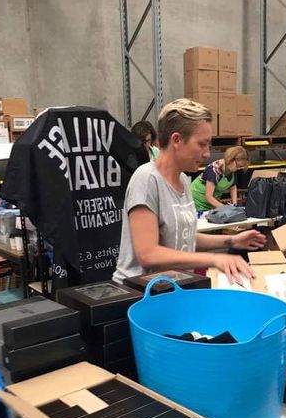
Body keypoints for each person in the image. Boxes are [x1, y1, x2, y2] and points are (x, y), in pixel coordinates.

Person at [113, 98, 266, 286]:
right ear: (177, 140)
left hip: (172, 290)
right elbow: (148, 254)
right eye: (202, 144)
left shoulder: (184, 181)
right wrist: (213, 259)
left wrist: (231, 241)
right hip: (140, 297)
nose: (207, 154)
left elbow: (184, 237)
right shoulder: (146, 180)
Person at [191, 145, 249, 211]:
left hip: (212, 201)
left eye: (240, 167)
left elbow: (233, 187)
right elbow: (208, 197)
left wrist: (234, 204)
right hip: (198, 199)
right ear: (230, 159)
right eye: (238, 166)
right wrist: (225, 208)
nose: (238, 168)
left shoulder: (232, 169)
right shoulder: (214, 170)